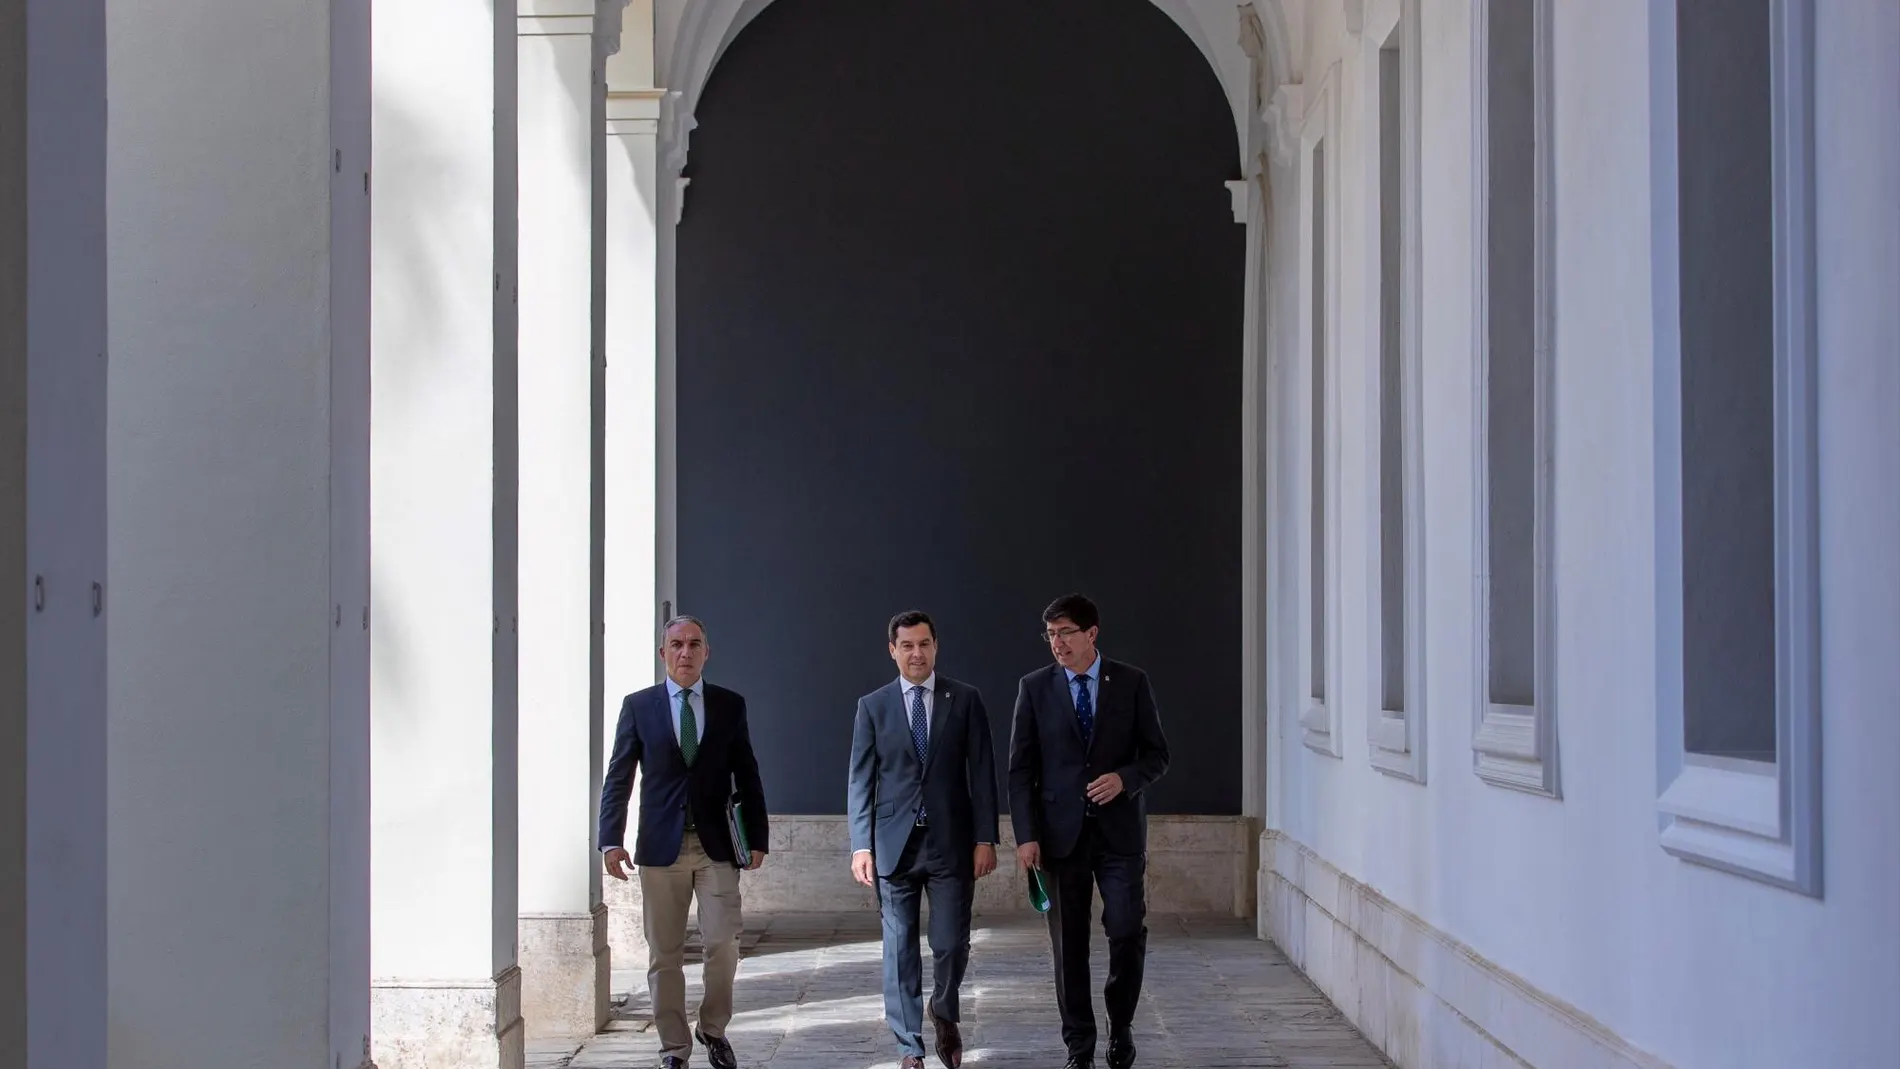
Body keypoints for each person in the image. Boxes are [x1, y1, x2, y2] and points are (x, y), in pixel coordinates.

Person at [599, 615, 770, 1069]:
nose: (685, 652)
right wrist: (609, 840)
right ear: (663, 653)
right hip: (660, 849)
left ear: (706, 653)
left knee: (724, 944)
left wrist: (758, 837)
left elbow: (748, 774)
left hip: (716, 847)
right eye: (676, 644)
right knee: (665, 955)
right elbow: (619, 776)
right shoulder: (639, 706)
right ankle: (674, 1048)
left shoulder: (729, 705)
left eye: (695, 644)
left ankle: (712, 1028)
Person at [1007, 594, 1169, 1069]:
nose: (1057, 643)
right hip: (1059, 839)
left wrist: (1126, 779)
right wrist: (1026, 836)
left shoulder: (1132, 683)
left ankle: (1121, 1026)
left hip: (1119, 835)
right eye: (1050, 635)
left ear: (1091, 634)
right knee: (1068, 947)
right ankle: (1079, 1047)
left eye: (1066, 633)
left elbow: (1158, 755)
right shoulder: (1034, 688)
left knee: (1125, 929)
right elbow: (1020, 771)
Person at [847, 610, 1001, 1069]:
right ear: (892, 650)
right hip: (893, 845)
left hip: (952, 843)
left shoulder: (966, 700)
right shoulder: (872, 706)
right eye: (908, 646)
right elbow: (860, 779)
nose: (917, 653)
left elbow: (983, 773)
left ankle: (944, 1011)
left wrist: (986, 838)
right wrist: (861, 844)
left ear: (936, 646)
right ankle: (909, 1045)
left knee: (952, 943)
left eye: (925, 644)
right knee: (899, 950)